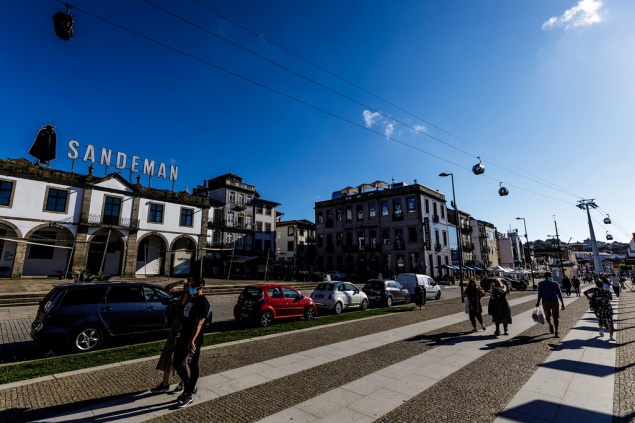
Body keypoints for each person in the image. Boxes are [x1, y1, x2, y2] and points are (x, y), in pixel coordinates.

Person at [173, 277, 210, 408]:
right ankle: (190, 385)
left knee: (192, 365)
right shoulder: (191, 299)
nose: (191, 287)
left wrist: (192, 342)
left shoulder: (203, 302)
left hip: (194, 339)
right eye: (190, 285)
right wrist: (180, 332)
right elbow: (185, 318)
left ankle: (188, 394)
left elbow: (198, 324)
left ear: (201, 288)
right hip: (183, 336)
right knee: (176, 362)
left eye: (194, 286)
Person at [150, 278, 191, 393]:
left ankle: (184, 382)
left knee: (183, 360)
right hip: (174, 329)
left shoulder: (193, 300)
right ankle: (165, 384)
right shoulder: (181, 295)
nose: (186, 288)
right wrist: (179, 282)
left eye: (188, 286)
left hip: (184, 331)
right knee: (167, 355)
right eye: (186, 286)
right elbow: (167, 289)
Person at [536, 271, 565, 338]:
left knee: (556, 317)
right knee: (547, 316)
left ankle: (556, 331)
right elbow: (539, 294)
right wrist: (538, 302)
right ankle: (550, 324)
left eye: (551, 276)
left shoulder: (555, 284)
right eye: (550, 276)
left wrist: (562, 303)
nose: (551, 277)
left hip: (554, 301)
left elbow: (559, 294)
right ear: (545, 277)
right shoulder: (541, 284)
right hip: (545, 301)